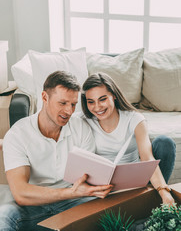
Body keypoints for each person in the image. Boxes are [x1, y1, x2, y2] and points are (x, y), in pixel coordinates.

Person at [0, 71, 113, 231]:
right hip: (34, 204)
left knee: (112, 215)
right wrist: (71, 193)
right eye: (63, 103)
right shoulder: (18, 135)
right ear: (45, 98)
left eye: (73, 104)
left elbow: (86, 179)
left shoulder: (81, 128)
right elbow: (21, 193)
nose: (69, 111)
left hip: (74, 202)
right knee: (3, 216)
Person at [81, 72, 176, 205]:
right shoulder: (84, 122)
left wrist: (164, 191)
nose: (97, 107)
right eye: (91, 102)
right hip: (103, 188)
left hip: (135, 184)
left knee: (165, 143)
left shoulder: (134, 119)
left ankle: (157, 199)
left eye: (102, 99)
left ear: (113, 95)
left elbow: (147, 157)